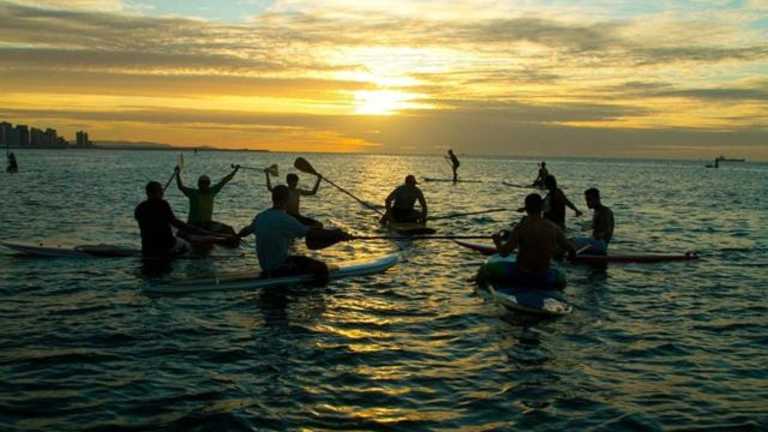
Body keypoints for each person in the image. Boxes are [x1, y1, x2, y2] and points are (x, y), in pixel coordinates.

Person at [237, 185, 350, 277]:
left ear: (273, 198)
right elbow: (309, 233)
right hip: (279, 267)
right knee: (321, 268)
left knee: (297, 259)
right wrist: (338, 234)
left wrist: (236, 236)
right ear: (287, 199)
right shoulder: (285, 219)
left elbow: (246, 231)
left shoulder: (260, 216)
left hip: (264, 266)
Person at [479, 193, 576, 289]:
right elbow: (571, 250)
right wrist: (560, 254)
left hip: (521, 274)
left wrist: (497, 241)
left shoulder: (521, 228)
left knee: (485, 269)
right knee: (561, 278)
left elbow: (504, 253)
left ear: (526, 209)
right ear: (542, 208)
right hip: (543, 276)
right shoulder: (554, 228)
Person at [134, 181, 196, 257]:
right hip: (167, 245)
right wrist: (195, 229)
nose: (162, 192)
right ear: (159, 192)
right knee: (187, 245)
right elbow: (175, 222)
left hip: (147, 247)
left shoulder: (140, 207)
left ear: (147, 193)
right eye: (161, 190)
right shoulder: (163, 204)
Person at [176, 165, 240, 235]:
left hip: (207, 224)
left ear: (208, 184)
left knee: (229, 229)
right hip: (194, 224)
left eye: (206, 183)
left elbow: (225, 180)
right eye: (202, 183)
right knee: (202, 232)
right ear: (199, 184)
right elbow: (180, 187)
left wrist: (235, 170)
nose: (204, 185)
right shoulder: (193, 193)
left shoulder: (212, 191)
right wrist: (177, 174)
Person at [573, 188, 614, 255]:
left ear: (597, 199)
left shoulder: (605, 211)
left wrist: (596, 237)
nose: (587, 203)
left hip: (601, 244)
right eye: (586, 200)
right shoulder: (597, 211)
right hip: (597, 243)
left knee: (572, 241)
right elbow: (595, 226)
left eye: (589, 200)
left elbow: (607, 231)